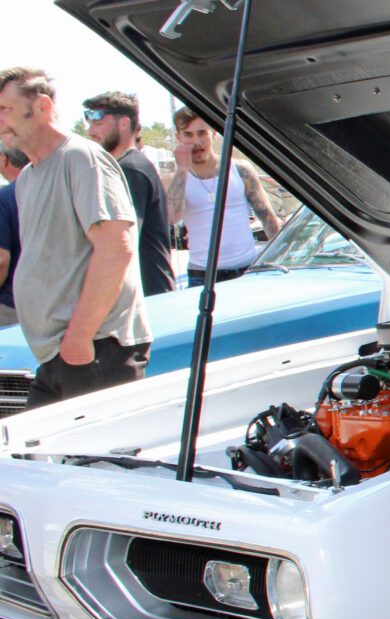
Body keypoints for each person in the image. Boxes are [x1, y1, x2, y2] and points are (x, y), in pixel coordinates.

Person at [0, 67, 151, 408]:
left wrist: (79, 338)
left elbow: (116, 248)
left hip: (95, 349)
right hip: (59, 355)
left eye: (5, 110)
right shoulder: (27, 178)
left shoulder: (81, 158)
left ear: (40, 106)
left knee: (100, 460)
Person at [166, 108, 283, 284]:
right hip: (203, 274)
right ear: (179, 138)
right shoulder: (174, 179)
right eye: (188, 135)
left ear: (213, 133)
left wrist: (281, 257)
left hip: (248, 268)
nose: (196, 142)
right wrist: (182, 169)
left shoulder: (240, 169)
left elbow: (267, 216)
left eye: (202, 133)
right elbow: (172, 217)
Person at [81, 91, 177, 295]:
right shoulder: (132, 165)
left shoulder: (130, 169)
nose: (91, 133)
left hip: (146, 292)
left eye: (97, 124)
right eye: (89, 125)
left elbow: (123, 241)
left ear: (124, 123)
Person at [0, 145, 27, 326]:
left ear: (4, 159)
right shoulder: (51, 192)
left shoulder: (5, 198)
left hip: (10, 306)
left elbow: (1, 260)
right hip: (50, 304)